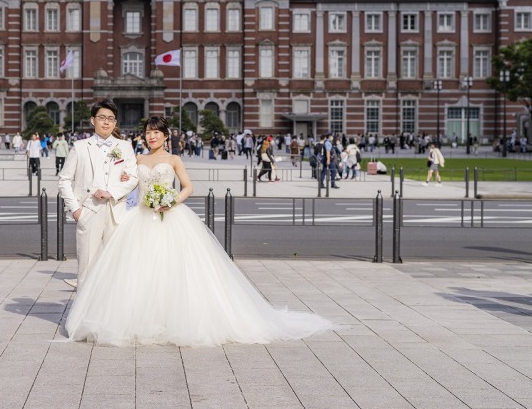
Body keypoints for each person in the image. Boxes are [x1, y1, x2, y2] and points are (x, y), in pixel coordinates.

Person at [66, 116, 335, 346]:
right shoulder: (137, 157)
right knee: (139, 271)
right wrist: (123, 179)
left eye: (156, 133)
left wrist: (171, 201)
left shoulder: (174, 159)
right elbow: (125, 176)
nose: (151, 137)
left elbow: (187, 187)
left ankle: (174, 318)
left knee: (174, 270)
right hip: (142, 216)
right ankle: (139, 317)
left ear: (165, 135)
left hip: (169, 215)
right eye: (148, 133)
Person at [58, 99, 139, 290]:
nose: (106, 122)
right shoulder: (80, 147)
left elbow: (133, 177)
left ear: (115, 123)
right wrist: (76, 209)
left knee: (117, 266)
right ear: (93, 120)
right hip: (89, 211)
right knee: (87, 266)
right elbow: (64, 180)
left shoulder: (124, 147)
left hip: (117, 213)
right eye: (102, 117)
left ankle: (112, 315)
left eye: (111, 118)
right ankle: (82, 315)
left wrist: (111, 192)